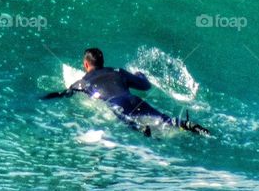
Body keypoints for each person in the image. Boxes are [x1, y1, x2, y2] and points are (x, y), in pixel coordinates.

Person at [42, 47, 209, 137]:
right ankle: (187, 125)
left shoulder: (82, 82)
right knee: (166, 119)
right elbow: (145, 86)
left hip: (117, 105)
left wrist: (46, 96)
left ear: (86, 65)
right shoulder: (118, 72)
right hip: (134, 99)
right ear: (102, 62)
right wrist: (139, 74)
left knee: (127, 120)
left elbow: (64, 94)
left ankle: (142, 129)